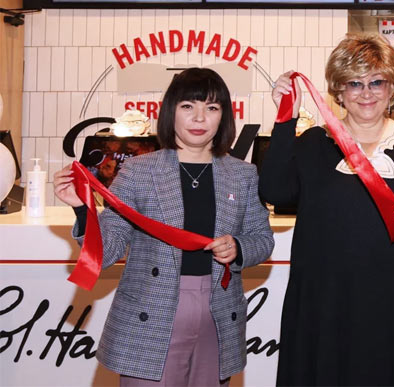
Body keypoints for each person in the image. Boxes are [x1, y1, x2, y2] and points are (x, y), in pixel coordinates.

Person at [53, 68, 275, 386]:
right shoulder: (139, 171)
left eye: (212, 107)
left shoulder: (242, 174)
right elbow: (107, 249)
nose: (199, 117)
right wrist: (81, 208)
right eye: (188, 106)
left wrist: (238, 247)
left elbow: (262, 239)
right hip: (151, 315)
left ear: (224, 116)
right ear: (171, 111)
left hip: (218, 316)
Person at [260, 34, 394, 386]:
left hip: (392, 300)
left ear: (392, 87)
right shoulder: (314, 143)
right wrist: (285, 119)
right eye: (354, 83)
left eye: (376, 82)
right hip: (323, 298)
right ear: (338, 90)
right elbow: (274, 191)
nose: (366, 93)